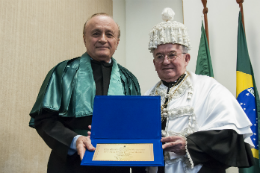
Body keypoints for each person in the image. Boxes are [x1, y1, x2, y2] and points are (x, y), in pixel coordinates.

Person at [29, 13, 142, 173]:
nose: (103, 39)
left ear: (117, 42)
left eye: (109, 34)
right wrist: (74, 140)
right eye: (96, 33)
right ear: (84, 38)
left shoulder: (128, 79)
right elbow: (44, 120)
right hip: (70, 164)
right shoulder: (63, 72)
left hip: (117, 165)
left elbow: (137, 127)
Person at [145, 8, 254, 173]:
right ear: (154, 63)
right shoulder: (147, 96)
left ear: (186, 58)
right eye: (159, 56)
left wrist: (191, 145)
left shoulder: (210, 88)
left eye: (172, 55)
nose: (165, 61)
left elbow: (230, 138)